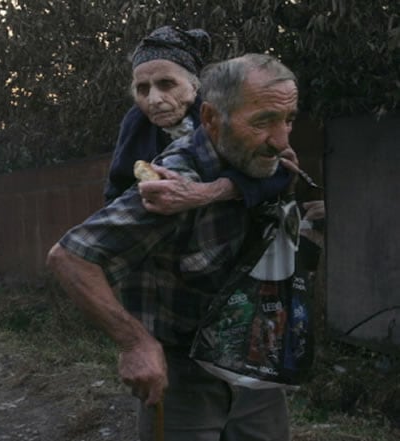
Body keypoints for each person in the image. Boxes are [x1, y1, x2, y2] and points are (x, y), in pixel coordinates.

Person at [47, 53, 301, 441]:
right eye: (263, 121)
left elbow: (284, 168)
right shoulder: (171, 184)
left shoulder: (261, 156)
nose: (281, 139)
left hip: (256, 363)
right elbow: (70, 257)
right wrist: (134, 343)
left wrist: (209, 194)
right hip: (186, 377)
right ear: (213, 120)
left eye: (288, 119)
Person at [105, 25, 295, 214]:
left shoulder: (220, 110)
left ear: (194, 86)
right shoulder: (136, 122)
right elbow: (117, 191)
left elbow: (281, 169)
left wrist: (205, 193)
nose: (154, 100)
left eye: (167, 84)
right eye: (143, 89)